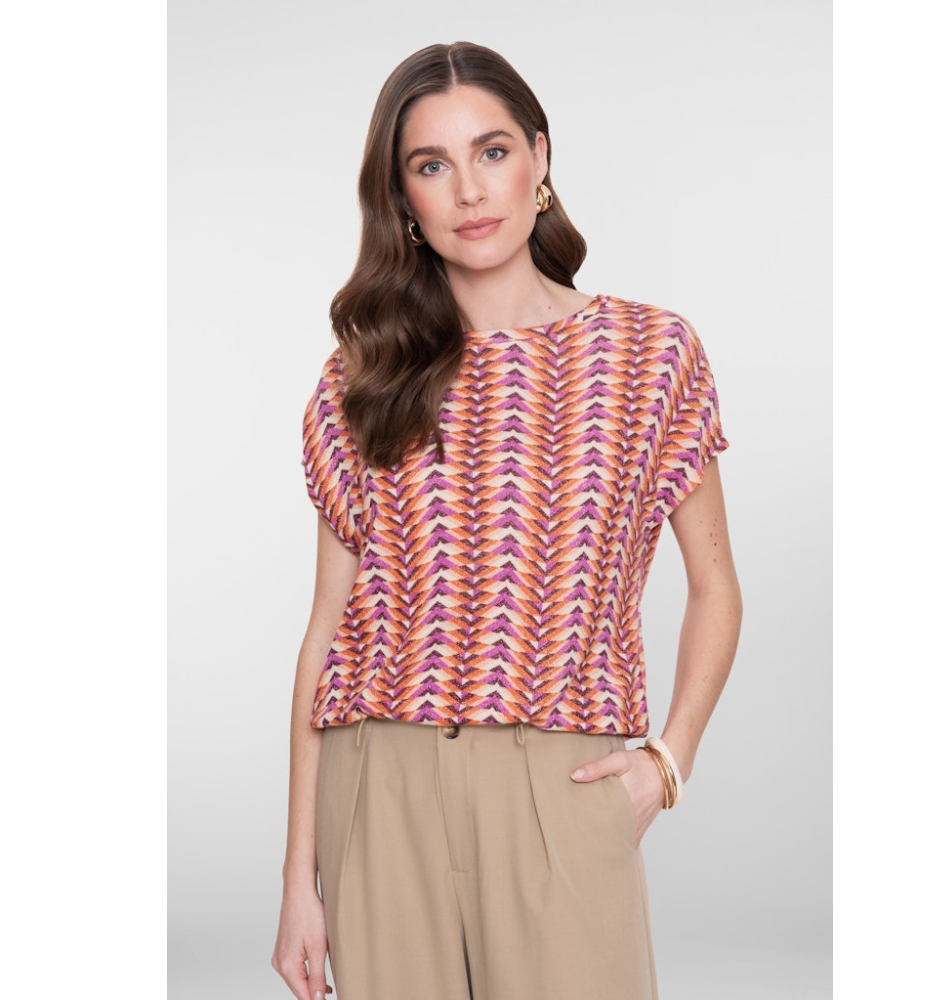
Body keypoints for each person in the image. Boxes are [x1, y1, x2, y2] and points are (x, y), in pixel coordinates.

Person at [271, 40, 742, 1000]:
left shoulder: (649, 355)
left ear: (540, 157)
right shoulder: (364, 377)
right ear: (403, 199)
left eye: (492, 152)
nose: (470, 191)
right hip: (381, 783)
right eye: (431, 165)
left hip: (558, 784)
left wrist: (669, 761)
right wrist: (296, 883)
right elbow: (328, 629)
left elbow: (715, 587)